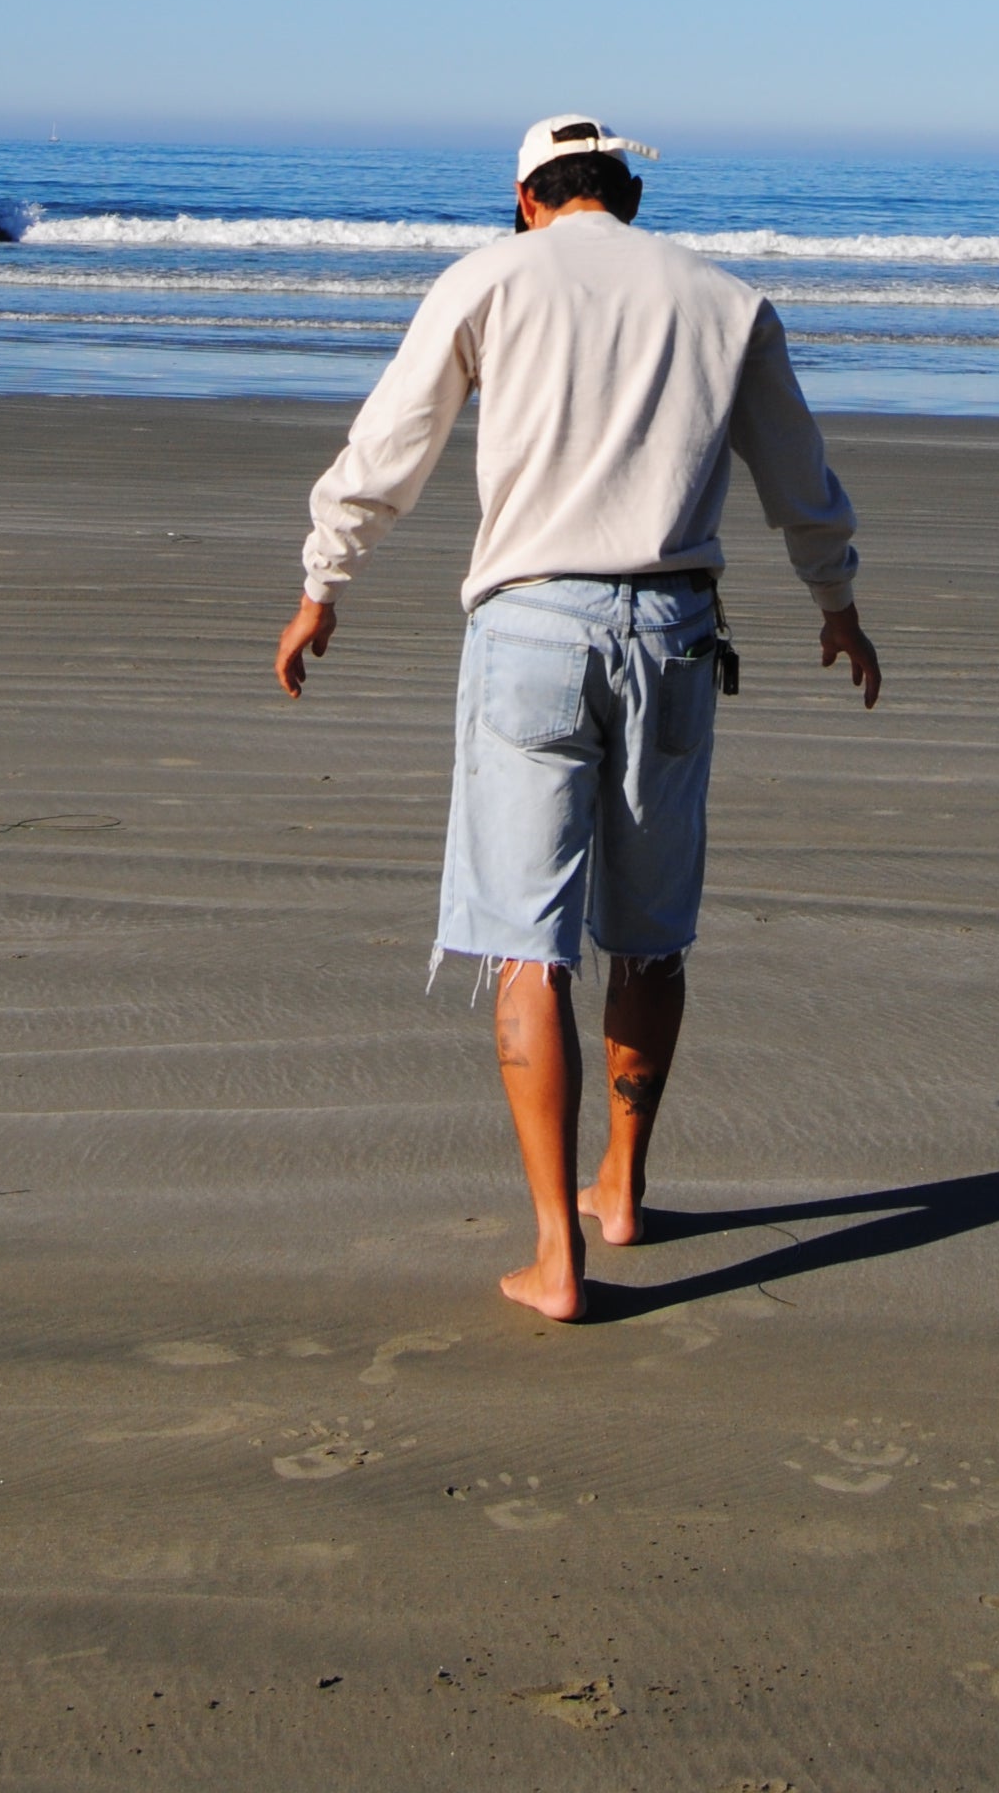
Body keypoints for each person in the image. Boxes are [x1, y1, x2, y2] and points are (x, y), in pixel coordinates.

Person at [273, 114, 881, 1321]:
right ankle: (624, 1186)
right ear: (627, 196)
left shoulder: (488, 278)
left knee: (525, 939)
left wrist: (319, 587)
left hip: (532, 632)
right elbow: (797, 473)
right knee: (649, 934)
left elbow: (388, 448)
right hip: (674, 632)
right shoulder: (723, 298)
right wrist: (839, 602)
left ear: (526, 198)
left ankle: (558, 1255)